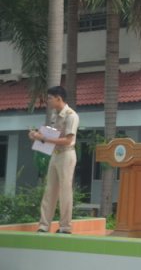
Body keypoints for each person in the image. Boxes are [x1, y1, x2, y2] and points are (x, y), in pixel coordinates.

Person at [29, 86, 79, 234]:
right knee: (50, 190)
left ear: (59, 98)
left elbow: (68, 140)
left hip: (67, 154)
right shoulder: (54, 115)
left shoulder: (71, 116)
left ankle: (65, 227)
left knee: (65, 191)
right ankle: (44, 226)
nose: (48, 101)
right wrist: (36, 135)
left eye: (50, 98)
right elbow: (53, 136)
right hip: (55, 155)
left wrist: (43, 138)